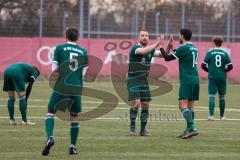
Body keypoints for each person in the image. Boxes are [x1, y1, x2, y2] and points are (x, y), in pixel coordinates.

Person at [42, 27, 88, 156]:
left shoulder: (60, 48)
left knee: (51, 111)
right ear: (77, 38)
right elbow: (84, 72)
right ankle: (72, 147)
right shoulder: (83, 51)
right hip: (77, 87)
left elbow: (55, 68)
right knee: (74, 116)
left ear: (66, 36)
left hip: (62, 85)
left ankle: (50, 137)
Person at [128, 29, 170, 136]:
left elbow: (163, 54)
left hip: (143, 81)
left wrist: (169, 46)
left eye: (146, 35)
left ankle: (143, 130)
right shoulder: (135, 48)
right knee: (137, 103)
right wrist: (157, 43)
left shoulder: (150, 50)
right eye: (142, 35)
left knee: (146, 105)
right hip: (133, 80)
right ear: (139, 37)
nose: (144, 37)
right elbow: (143, 52)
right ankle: (132, 127)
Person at [160, 29, 199, 139]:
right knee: (190, 107)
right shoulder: (194, 48)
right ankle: (188, 130)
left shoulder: (183, 48)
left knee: (182, 105)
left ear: (182, 36)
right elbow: (180, 53)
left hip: (187, 80)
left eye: (179, 35)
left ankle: (193, 128)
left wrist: (161, 46)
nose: (179, 36)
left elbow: (167, 58)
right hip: (195, 79)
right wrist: (171, 46)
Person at [201, 37, 233, 120]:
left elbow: (203, 65)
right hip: (222, 77)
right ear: (222, 43)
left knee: (212, 96)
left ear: (213, 42)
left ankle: (211, 116)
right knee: (222, 97)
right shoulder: (225, 53)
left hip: (213, 77)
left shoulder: (210, 53)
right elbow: (230, 66)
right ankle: (222, 116)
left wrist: (209, 71)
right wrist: (224, 71)